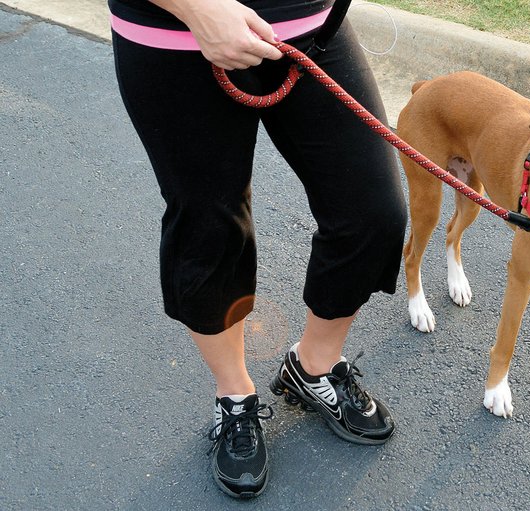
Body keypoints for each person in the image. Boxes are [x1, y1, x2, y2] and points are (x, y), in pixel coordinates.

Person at [108, 0, 407, 498]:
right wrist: (197, 10)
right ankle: (235, 396)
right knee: (208, 228)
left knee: (372, 213)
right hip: (174, 36)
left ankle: (312, 367)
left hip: (311, 26)